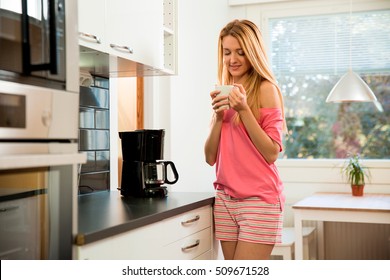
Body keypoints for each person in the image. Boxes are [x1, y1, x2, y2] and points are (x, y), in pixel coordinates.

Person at [204, 19, 287, 260]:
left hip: (259, 200)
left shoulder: (265, 89)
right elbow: (210, 158)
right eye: (227, 52)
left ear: (253, 52)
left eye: (241, 52)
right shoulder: (225, 91)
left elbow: (271, 152)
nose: (233, 59)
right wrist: (218, 118)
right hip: (226, 200)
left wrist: (243, 110)